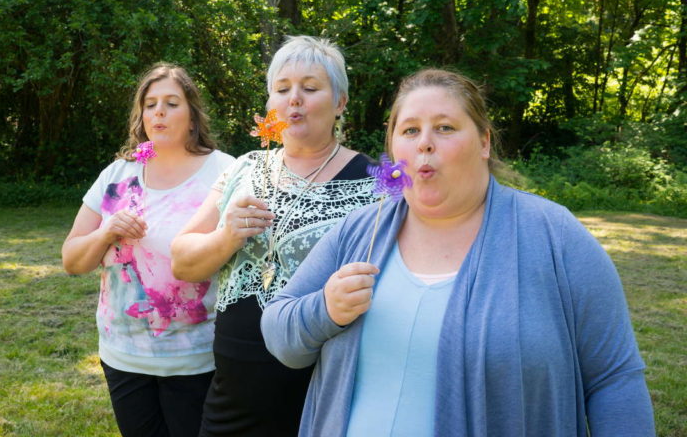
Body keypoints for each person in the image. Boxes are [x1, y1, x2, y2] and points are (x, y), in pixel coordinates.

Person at [261, 68, 655, 436]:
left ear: (484, 142)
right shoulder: (360, 230)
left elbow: (614, 377)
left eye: (445, 128)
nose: (425, 142)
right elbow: (279, 333)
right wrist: (326, 310)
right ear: (394, 147)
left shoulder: (554, 234)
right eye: (410, 130)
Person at [170, 36, 377, 436]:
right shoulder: (245, 168)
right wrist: (226, 236)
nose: (293, 99)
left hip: (320, 388)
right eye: (282, 89)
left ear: (340, 102)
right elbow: (182, 261)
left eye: (310, 88)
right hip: (233, 390)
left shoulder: (373, 183)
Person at [61, 63, 235, 437]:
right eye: (150, 103)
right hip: (123, 356)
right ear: (140, 117)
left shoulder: (225, 172)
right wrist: (106, 232)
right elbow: (72, 260)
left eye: (172, 103)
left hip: (197, 359)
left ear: (192, 117)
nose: (158, 111)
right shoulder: (118, 175)